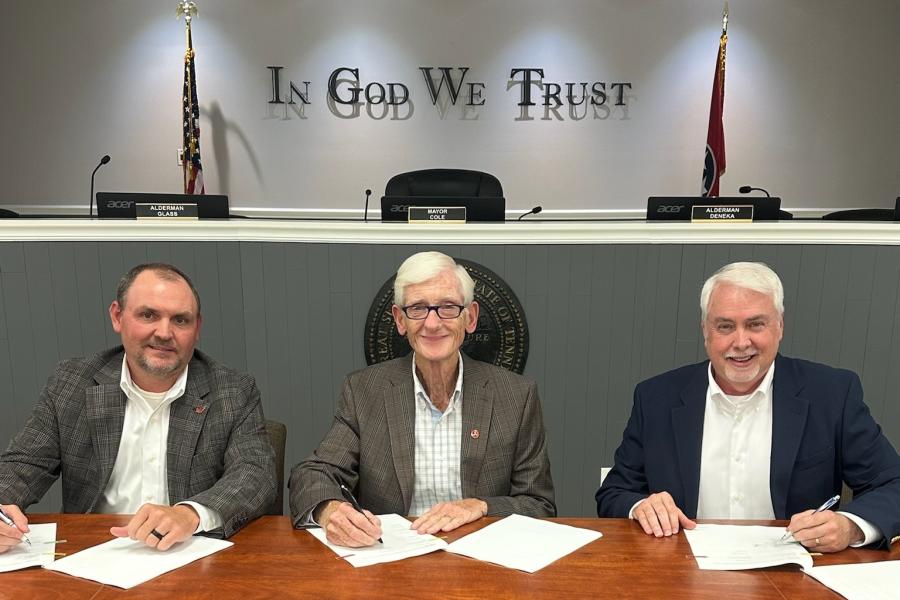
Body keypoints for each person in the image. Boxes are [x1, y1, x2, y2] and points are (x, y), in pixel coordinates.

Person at [596, 261, 900, 552]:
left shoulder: (831, 394)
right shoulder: (656, 398)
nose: (741, 342)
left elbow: (893, 484)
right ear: (705, 331)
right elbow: (614, 492)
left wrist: (850, 526)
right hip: (682, 568)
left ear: (779, 327)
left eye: (755, 324)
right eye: (725, 326)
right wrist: (641, 507)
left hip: (794, 569)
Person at [0, 263, 275, 553]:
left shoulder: (232, 390)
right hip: (93, 552)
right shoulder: (72, 382)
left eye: (181, 320)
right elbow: (24, 464)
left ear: (197, 328)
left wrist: (190, 514)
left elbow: (255, 473)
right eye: (148, 315)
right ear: (117, 317)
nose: (164, 333)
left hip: (188, 553)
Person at [290, 251, 554, 547]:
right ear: (400, 320)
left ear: (471, 317)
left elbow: (539, 505)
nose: (432, 323)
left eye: (448, 307)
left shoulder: (516, 396)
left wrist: (482, 506)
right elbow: (312, 474)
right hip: (390, 557)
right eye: (417, 308)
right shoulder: (364, 392)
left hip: (482, 558)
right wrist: (331, 511)